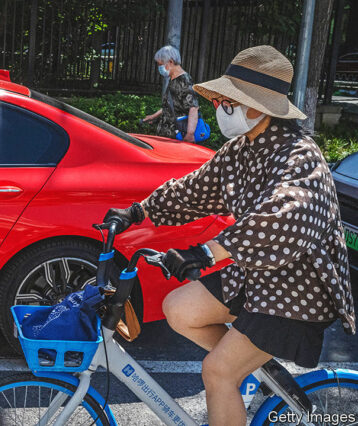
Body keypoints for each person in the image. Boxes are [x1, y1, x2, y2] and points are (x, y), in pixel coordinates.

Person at [105, 45, 355, 426]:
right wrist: (137, 212)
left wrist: (207, 253)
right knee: (179, 309)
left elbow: (282, 219)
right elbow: (193, 189)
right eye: (222, 98)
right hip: (255, 275)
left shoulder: (299, 154)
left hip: (297, 291)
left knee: (217, 373)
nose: (221, 106)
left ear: (261, 106)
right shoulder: (239, 150)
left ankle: (233, 370)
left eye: (229, 100)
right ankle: (251, 365)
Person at [143, 45, 200, 142]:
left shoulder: (184, 80)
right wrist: (153, 116)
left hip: (177, 137)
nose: (159, 68)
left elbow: (193, 107)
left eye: (161, 64)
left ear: (170, 62)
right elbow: (171, 104)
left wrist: (190, 134)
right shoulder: (173, 79)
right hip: (168, 135)